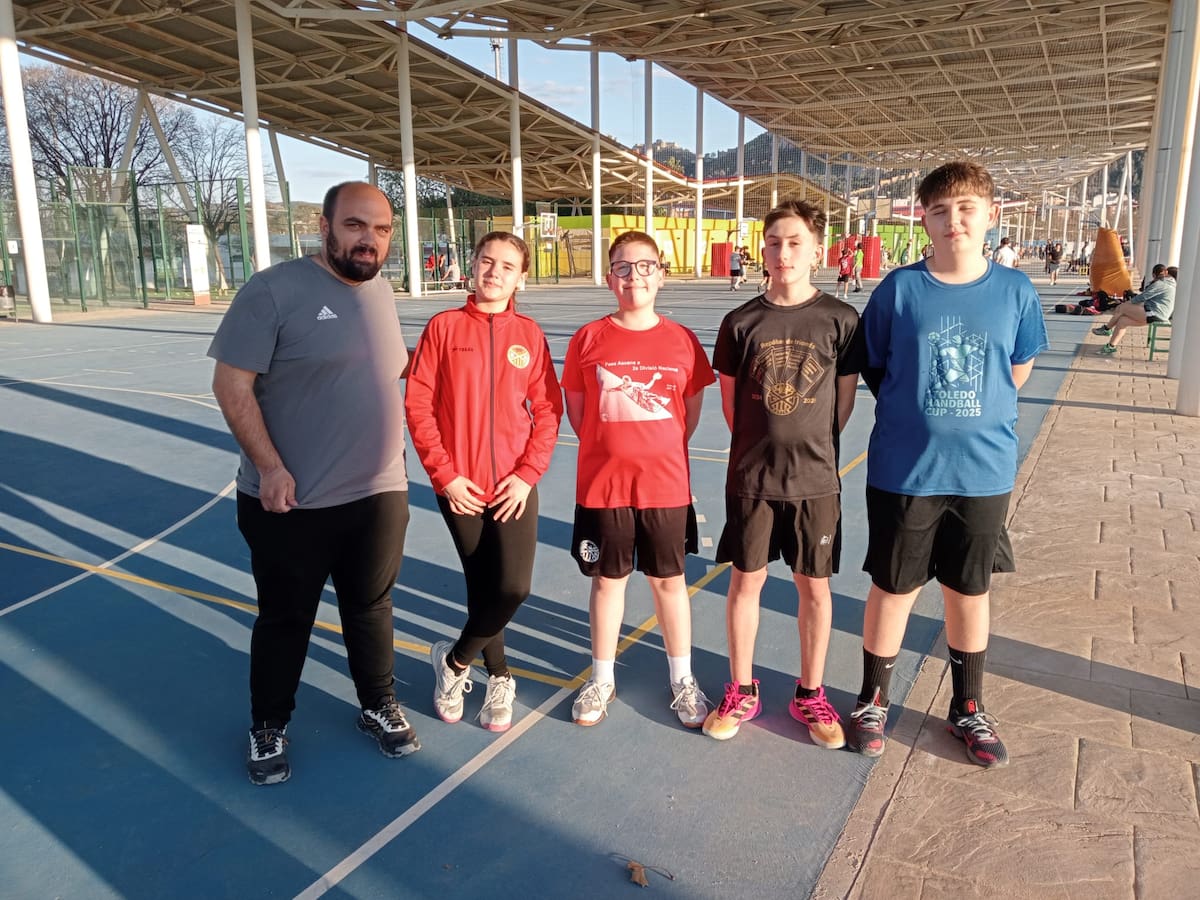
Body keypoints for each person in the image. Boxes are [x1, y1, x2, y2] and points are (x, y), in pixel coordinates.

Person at [209, 181, 418, 786]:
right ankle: (269, 724)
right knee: (286, 616)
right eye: (355, 225)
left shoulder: (379, 290)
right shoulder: (273, 291)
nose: (369, 240)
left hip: (377, 493)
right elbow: (231, 385)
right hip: (290, 500)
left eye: (381, 229)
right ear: (323, 227)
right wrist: (270, 467)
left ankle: (377, 704)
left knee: (371, 607)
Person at [852, 160, 1049, 768]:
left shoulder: (1015, 292)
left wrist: (975, 414)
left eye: (966, 209)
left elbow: (1016, 370)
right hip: (906, 470)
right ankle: (873, 700)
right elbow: (876, 368)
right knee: (894, 587)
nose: (954, 220)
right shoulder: (899, 290)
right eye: (940, 210)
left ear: (991, 215)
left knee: (970, 589)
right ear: (925, 219)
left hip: (983, 472)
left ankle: (968, 706)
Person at [702, 199, 865, 748]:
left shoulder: (841, 319)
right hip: (751, 479)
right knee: (745, 582)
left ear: (818, 249)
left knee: (814, 588)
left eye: (795, 241)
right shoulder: (739, 322)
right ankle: (741, 687)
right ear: (762, 249)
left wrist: (810, 447)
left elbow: (843, 406)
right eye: (774, 242)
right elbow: (731, 409)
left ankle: (810, 694)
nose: (784, 251)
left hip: (816, 482)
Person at [405, 232, 563, 733]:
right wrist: (445, 476)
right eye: (487, 261)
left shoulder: (529, 335)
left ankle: (452, 662)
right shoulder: (444, 327)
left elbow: (548, 411)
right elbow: (418, 406)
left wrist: (527, 474)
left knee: (513, 587)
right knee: (481, 586)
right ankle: (500, 677)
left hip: (514, 485)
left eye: (508, 266)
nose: (495, 272)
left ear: (521, 277)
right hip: (461, 488)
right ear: (472, 265)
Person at [562, 231, 715, 729]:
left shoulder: (683, 341)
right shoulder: (587, 339)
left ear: (661, 275)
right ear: (610, 278)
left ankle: (682, 679)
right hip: (603, 488)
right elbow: (581, 417)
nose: (634, 276)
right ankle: (601, 678)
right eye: (623, 268)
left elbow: (687, 417)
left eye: (645, 266)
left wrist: (655, 448)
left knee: (670, 583)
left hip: (666, 487)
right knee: (608, 584)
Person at [1093, 264, 1176, 355]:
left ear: (1154, 275)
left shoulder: (1161, 284)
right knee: (1122, 321)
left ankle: (1107, 329)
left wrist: (1128, 303)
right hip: (1157, 314)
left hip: (1155, 314)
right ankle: (1111, 346)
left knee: (1122, 307)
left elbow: (1143, 297)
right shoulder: (1169, 283)